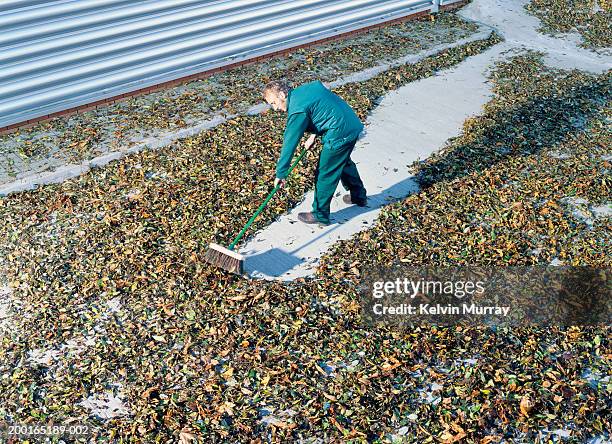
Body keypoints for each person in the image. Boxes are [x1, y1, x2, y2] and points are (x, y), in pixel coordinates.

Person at [263, 80, 367, 225]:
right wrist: (313, 135)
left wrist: (281, 173)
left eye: (274, 103)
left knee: (325, 172)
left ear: (282, 94)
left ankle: (320, 214)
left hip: (339, 132)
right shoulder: (304, 90)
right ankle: (359, 195)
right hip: (351, 123)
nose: (274, 109)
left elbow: (289, 143)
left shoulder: (297, 110)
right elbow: (321, 107)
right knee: (342, 162)